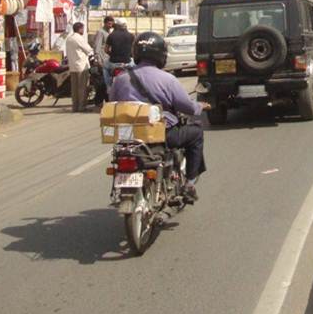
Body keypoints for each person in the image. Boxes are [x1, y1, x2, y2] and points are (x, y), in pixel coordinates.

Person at [110, 32, 207, 201]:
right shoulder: (168, 79)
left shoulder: (120, 79)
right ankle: (190, 184)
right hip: (162, 135)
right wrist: (200, 106)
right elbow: (186, 107)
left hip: (128, 137)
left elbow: (113, 104)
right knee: (197, 132)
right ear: (161, 55)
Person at [64, 22, 94, 113]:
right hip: (81, 66)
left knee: (74, 88)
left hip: (72, 66)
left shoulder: (69, 38)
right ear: (80, 29)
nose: (83, 31)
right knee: (82, 87)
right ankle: (81, 107)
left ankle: (75, 106)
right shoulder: (79, 38)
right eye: (82, 29)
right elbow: (89, 50)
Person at [91, 16, 115, 106]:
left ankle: (104, 99)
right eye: (109, 23)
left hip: (108, 60)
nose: (110, 25)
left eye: (111, 23)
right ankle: (99, 100)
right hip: (102, 60)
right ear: (105, 23)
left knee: (106, 81)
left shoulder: (109, 32)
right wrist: (97, 59)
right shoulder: (101, 32)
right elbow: (97, 46)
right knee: (102, 82)